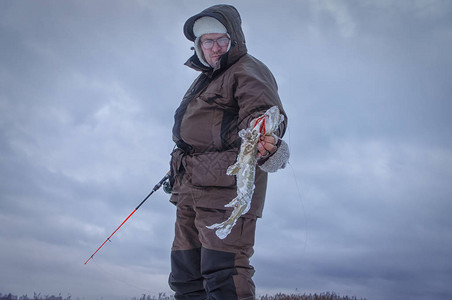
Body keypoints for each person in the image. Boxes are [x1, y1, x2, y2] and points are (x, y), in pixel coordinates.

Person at [168, 4, 290, 300]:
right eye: (206, 41)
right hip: (191, 187)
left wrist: (264, 139)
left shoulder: (247, 68)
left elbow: (262, 112)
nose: (215, 47)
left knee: (223, 272)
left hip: (226, 190)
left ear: (234, 40)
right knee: (185, 276)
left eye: (221, 39)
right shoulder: (205, 79)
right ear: (198, 46)